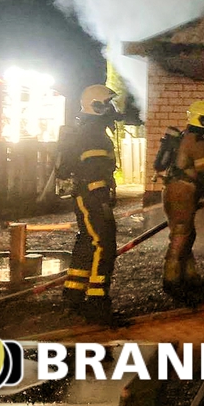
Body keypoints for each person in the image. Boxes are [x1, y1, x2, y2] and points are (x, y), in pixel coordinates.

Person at [157, 100, 204, 298]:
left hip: (179, 191)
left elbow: (196, 173)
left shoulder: (189, 137)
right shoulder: (197, 141)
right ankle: (171, 280)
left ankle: (189, 275)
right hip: (181, 193)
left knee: (187, 235)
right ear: (201, 120)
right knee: (181, 234)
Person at [57, 85, 120, 324]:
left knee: (87, 242)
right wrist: (102, 200)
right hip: (93, 196)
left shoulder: (89, 130)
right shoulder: (93, 134)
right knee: (104, 245)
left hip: (87, 195)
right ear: (97, 106)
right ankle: (97, 302)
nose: (112, 108)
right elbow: (94, 169)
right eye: (108, 103)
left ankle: (73, 297)